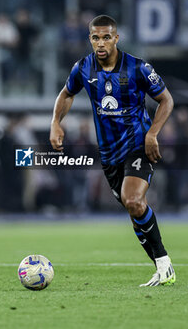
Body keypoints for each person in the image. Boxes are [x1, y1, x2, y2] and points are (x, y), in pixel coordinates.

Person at [50, 15, 175, 287]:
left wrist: (153, 133)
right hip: (108, 155)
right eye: (95, 37)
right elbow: (66, 94)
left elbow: (166, 99)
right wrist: (55, 123)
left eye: (106, 37)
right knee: (134, 210)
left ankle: (164, 262)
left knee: (133, 201)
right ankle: (162, 268)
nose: (101, 43)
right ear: (90, 39)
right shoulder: (83, 68)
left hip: (138, 146)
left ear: (116, 38)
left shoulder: (138, 68)